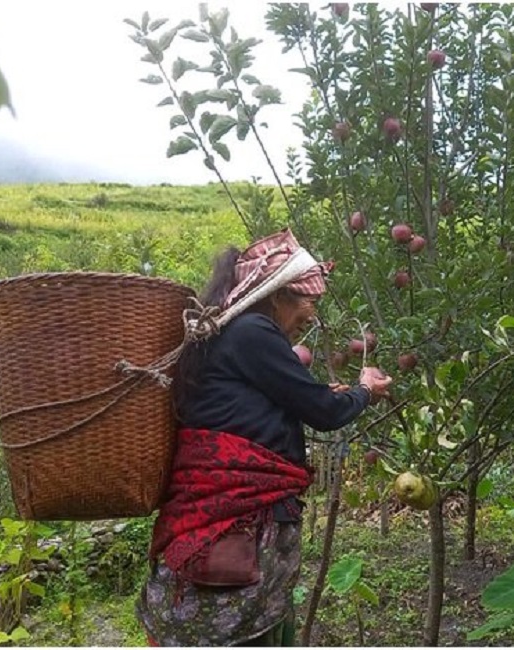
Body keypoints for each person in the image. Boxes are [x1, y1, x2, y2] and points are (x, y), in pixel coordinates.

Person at [136, 228, 392, 646]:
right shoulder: (253, 330)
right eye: (308, 300)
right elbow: (324, 414)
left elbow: (254, 403)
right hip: (243, 511)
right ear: (276, 295)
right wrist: (364, 390)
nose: (312, 314)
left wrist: (314, 395)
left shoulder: (230, 331)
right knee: (238, 619)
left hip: (229, 505)